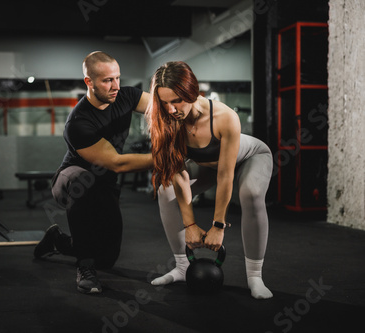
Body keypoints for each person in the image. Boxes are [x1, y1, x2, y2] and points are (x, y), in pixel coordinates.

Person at [146, 61, 273, 299]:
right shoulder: (166, 121)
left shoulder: (225, 117)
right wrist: (190, 225)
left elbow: (226, 175)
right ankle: (183, 267)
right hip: (208, 165)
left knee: (251, 194)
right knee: (166, 191)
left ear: (191, 92)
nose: (171, 109)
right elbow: (177, 172)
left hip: (251, 157)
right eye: (164, 102)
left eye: (176, 101)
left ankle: (255, 276)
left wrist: (218, 225)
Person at [34, 51, 152, 294]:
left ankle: (58, 240)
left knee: (107, 258)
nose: (115, 86)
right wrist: (166, 159)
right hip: (71, 179)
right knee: (84, 181)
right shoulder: (78, 122)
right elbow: (117, 163)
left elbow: (161, 109)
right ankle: (84, 267)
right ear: (89, 82)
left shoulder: (127, 95)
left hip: (105, 184)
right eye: (107, 80)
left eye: (117, 78)